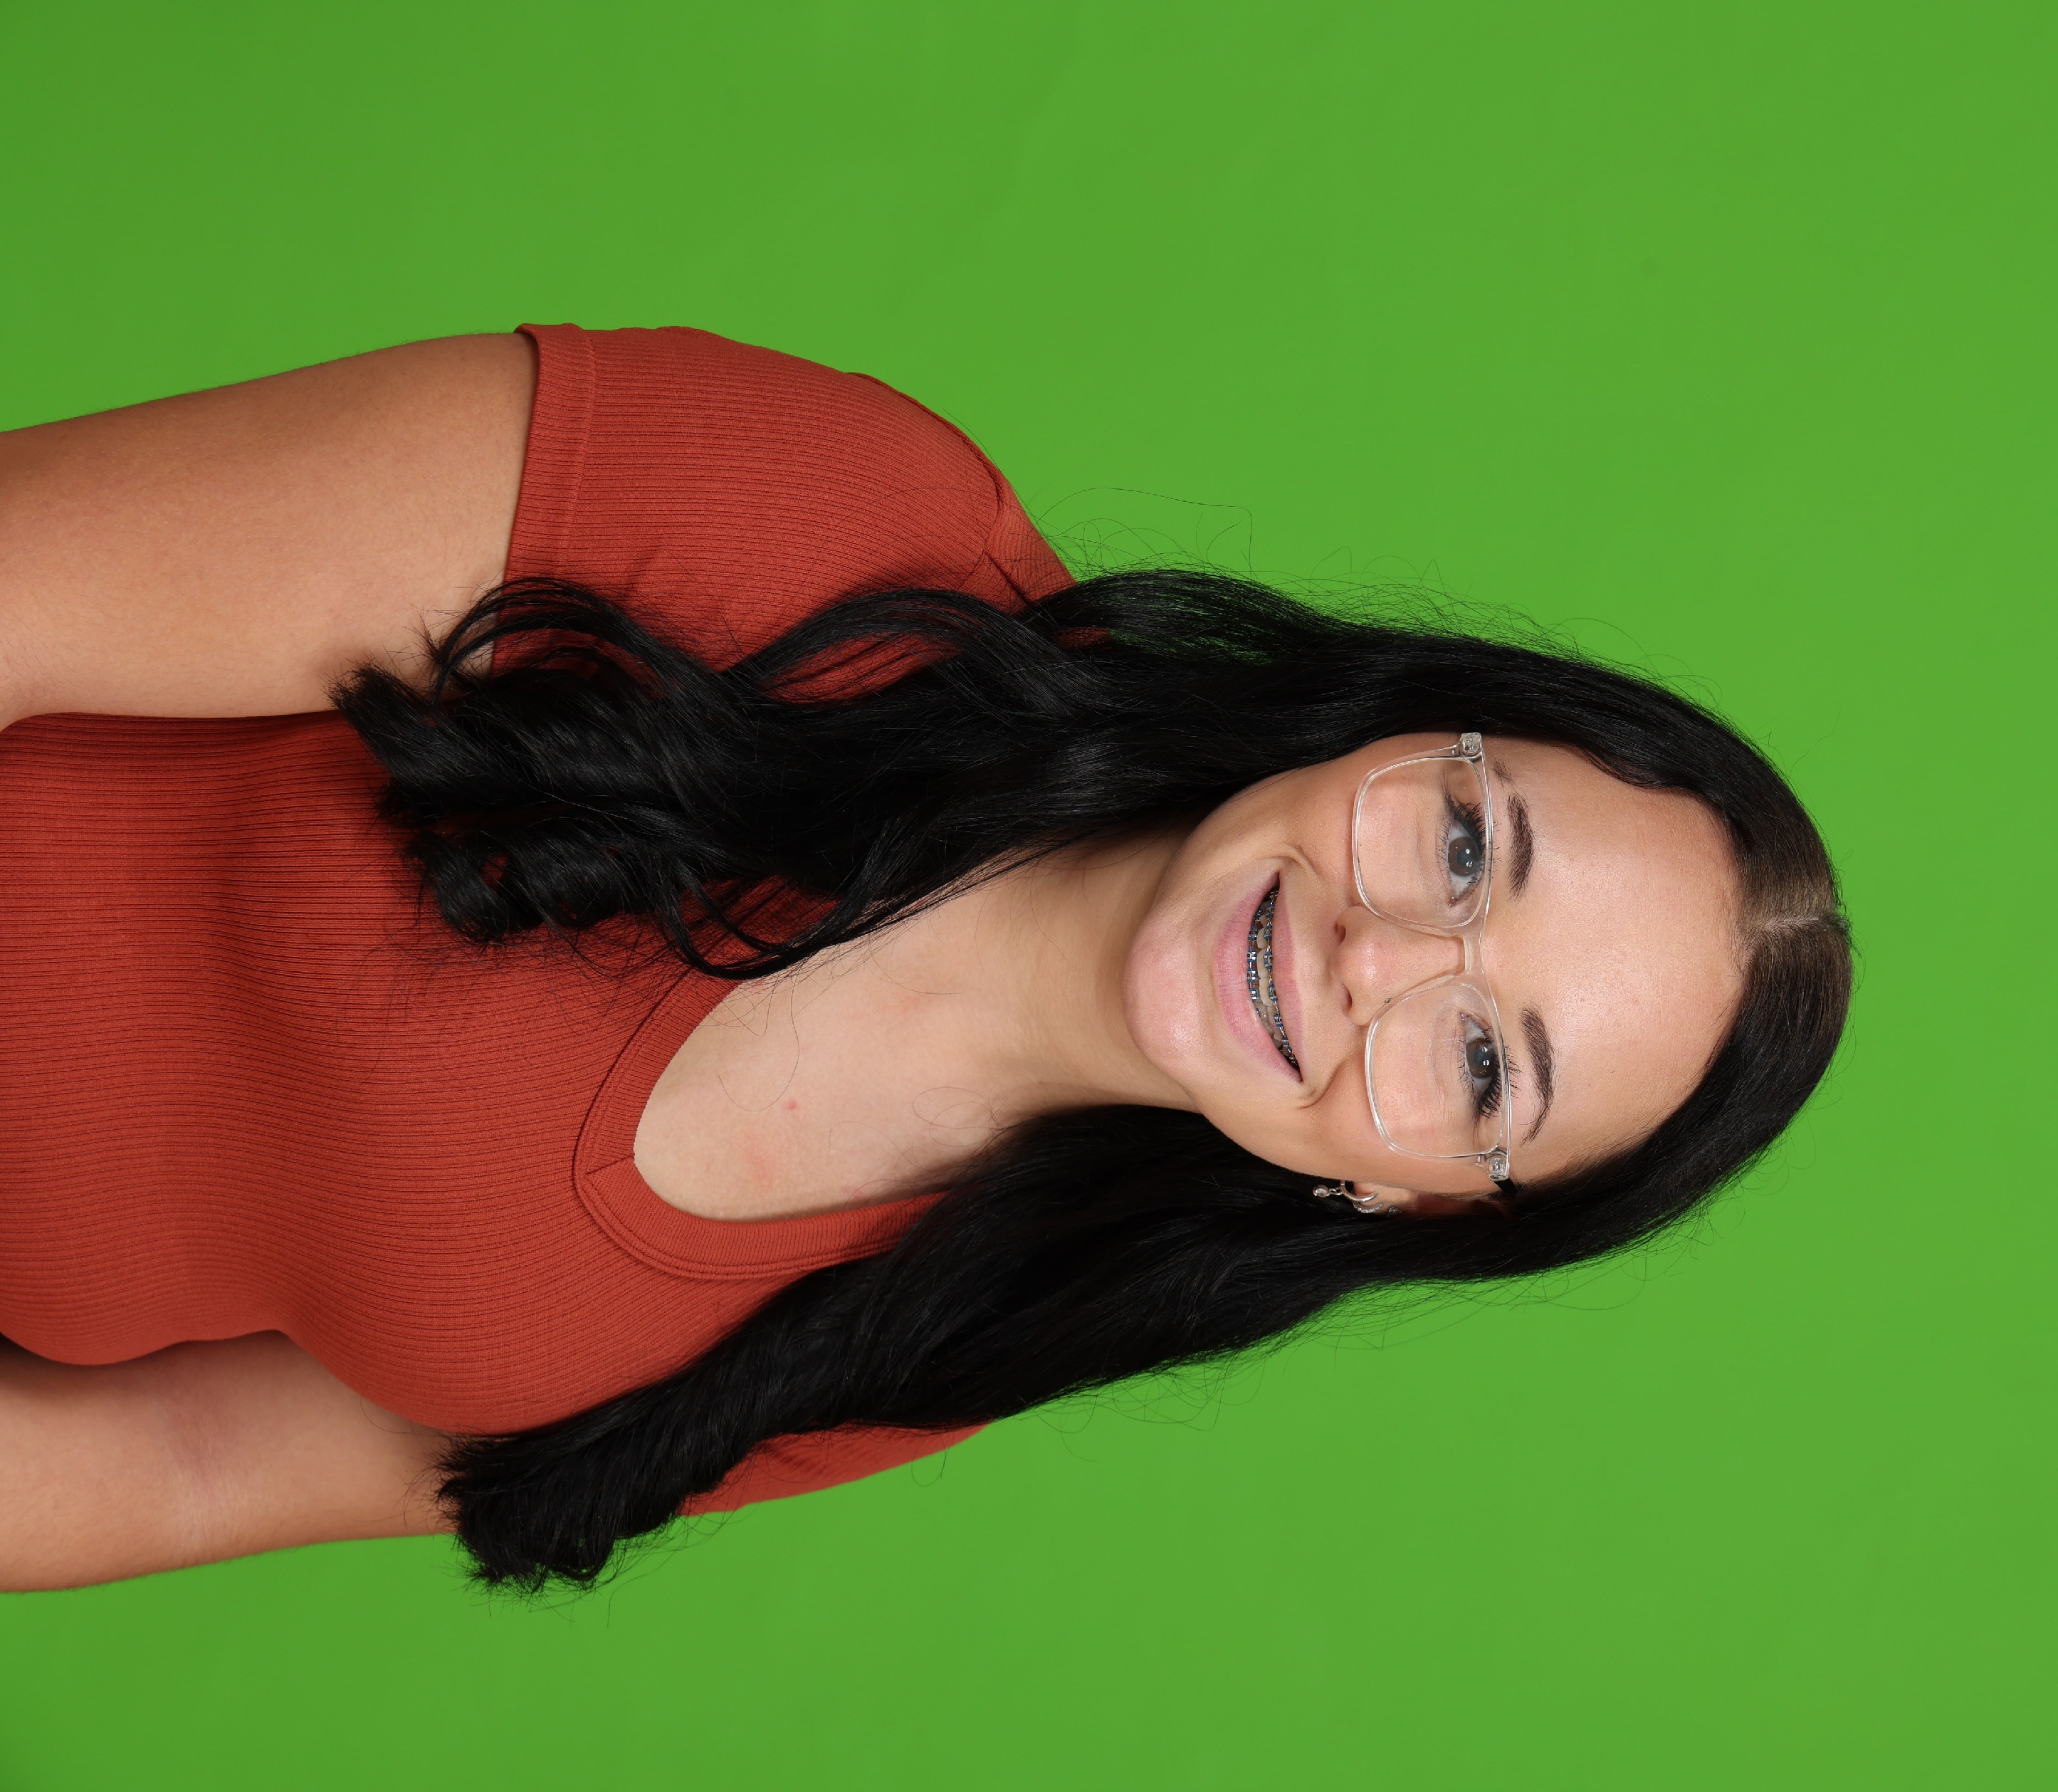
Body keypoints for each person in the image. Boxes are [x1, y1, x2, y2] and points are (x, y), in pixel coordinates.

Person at [0, 325, 1849, 1593]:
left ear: (1416, 1197)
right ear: (1400, 728)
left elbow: (184, 1464)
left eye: (1486, 1066)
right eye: (1461, 848)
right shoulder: (821, 521)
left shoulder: (950, 1327)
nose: (1383, 961)